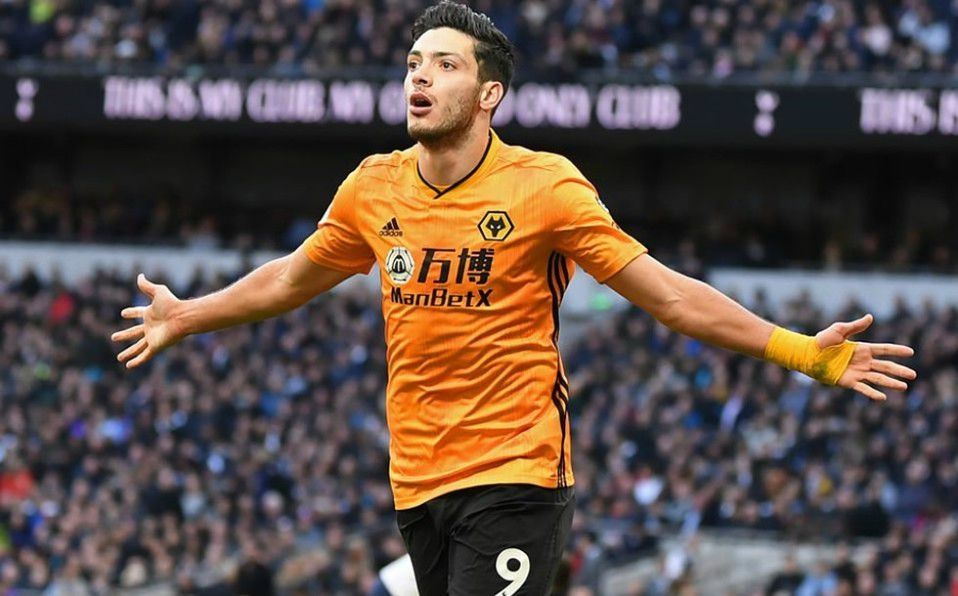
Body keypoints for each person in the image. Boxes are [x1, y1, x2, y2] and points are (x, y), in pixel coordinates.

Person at [111, 2, 916, 594]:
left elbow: (668, 296)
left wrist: (801, 351)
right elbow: (291, 278)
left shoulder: (545, 187)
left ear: (489, 93)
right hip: (417, 480)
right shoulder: (372, 187)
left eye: (445, 64)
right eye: (413, 62)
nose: (419, 75)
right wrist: (189, 314)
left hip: (516, 471)